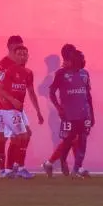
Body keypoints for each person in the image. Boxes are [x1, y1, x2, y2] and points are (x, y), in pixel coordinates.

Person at [0, 44, 44, 179]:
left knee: (24, 136)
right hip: (8, 110)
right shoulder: (8, 70)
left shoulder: (28, 73)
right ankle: (16, 168)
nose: (22, 57)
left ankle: (11, 168)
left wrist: (38, 111)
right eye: (19, 54)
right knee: (22, 136)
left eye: (24, 54)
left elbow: (32, 93)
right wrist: (11, 101)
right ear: (14, 56)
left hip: (18, 110)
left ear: (28, 56)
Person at [43, 49, 94, 178]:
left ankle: (56, 164)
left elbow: (88, 95)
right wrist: (59, 108)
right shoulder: (59, 74)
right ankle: (67, 165)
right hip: (66, 114)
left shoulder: (84, 74)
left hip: (82, 113)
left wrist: (91, 113)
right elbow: (50, 92)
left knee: (76, 139)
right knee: (70, 139)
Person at [0, 35, 25, 172]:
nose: (21, 50)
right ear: (10, 47)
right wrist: (7, 103)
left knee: (17, 137)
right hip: (1, 107)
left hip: (15, 108)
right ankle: (1, 168)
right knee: (2, 138)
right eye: (18, 46)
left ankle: (10, 168)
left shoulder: (21, 64)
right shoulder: (2, 65)